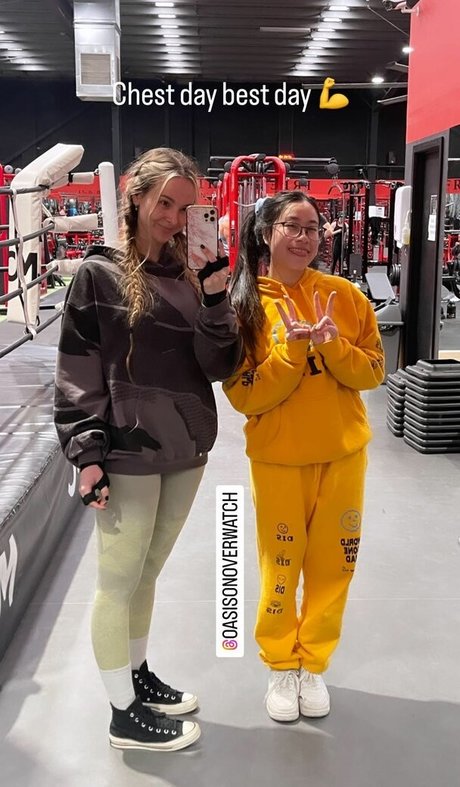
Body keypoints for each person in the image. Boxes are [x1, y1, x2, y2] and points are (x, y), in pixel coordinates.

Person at [54, 147, 242, 752]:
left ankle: (136, 676)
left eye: (186, 208)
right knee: (118, 579)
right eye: (165, 203)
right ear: (135, 195)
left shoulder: (191, 274)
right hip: (128, 448)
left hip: (186, 446)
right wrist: (87, 453)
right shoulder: (99, 274)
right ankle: (122, 716)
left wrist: (215, 299)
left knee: (147, 572)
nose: (174, 218)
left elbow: (217, 366)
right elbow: (78, 367)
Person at [223, 191, 384, 723]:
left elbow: (373, 373)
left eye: (313, 227)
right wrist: (292, 353)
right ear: (266, 233)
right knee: (280, 566)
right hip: (278, 460)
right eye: (292, 225)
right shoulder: (244, 306)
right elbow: (246, 396)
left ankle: (312, 663)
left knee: (335, 566)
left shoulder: (345, 296)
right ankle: (280, 663)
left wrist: (333, 347)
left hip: (343, 455)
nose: (304, 237)